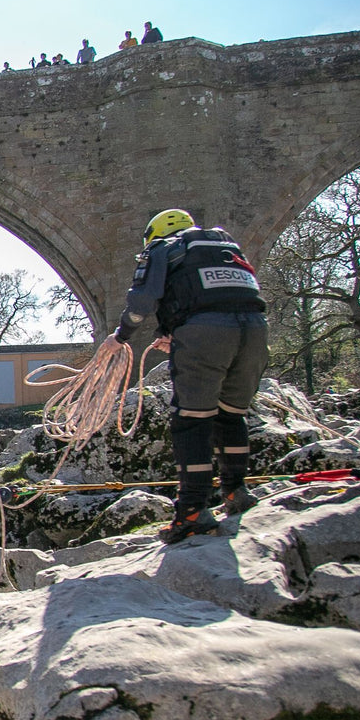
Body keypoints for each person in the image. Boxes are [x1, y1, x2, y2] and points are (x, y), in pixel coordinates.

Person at [112, 209, 269, 544]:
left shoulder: (161, 248)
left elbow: (142, 301)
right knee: (231, 414)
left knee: (192, 420)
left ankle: (194, 511)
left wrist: (122, 335)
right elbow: (225, 294)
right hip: (255, 331)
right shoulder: (226, 246)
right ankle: (235, 493)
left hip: (205, 333)